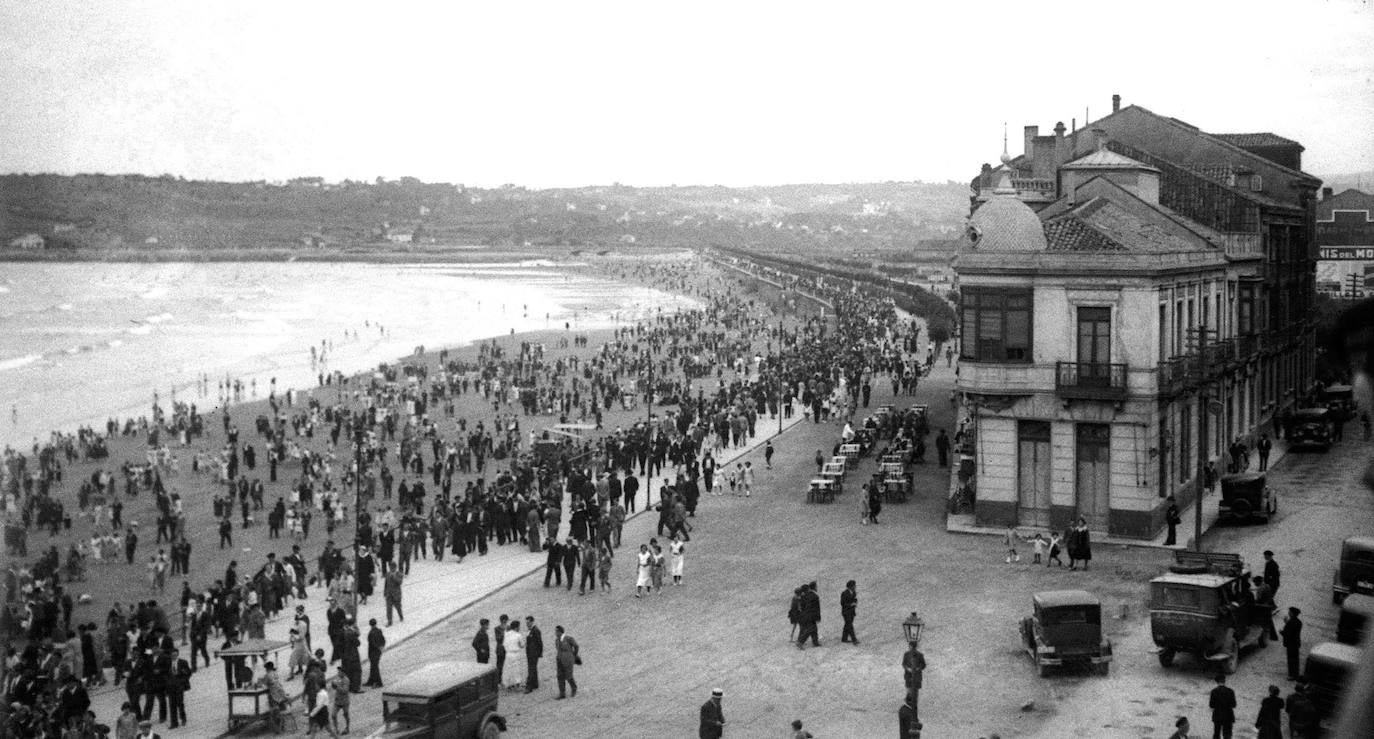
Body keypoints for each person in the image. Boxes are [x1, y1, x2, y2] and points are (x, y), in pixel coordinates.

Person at [554, 624, 579, 699]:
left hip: (568, 660)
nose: (555, 633)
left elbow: (576, 646)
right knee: (560, 676)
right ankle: (562, 693)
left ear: (560, 632)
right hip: (559, 660)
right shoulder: (557, 640)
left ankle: (574, 688)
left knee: (569, 676)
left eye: (556, 631)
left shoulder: (568, 638)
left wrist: (573, 655)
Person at [903, 641, 926, 721]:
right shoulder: (906, 654)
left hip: (916, 678)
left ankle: (914, 715)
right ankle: (909, 711)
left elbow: (923, 665)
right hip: (909, 677)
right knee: (909, 695)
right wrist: (908, 669)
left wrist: (917, 669)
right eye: (910, 647)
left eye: (913, 647)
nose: (911, 648)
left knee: (915, 696)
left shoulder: (920, 655)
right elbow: (904, 664)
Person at [1209, 673, 1236, 739]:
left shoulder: (1214, 691)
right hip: (1228, 716)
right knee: (1227, 735)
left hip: (1218, 716)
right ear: (1224, 681)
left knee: (1216, 734)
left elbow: (1211, 705)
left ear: (1217, 682)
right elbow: (1234, 705)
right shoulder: (1230, 691)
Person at [502, 621, 526, 690]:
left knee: (508, 669)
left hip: (508, 653)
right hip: (516, 653)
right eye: (519, 626)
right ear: (516, 627)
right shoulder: (518, 635)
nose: (519, 628)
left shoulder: (506, 634)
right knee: (517, 669)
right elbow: (522, 645)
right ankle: (517, 684)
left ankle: (508, 684)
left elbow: (504, 644)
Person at [1280, 607, 1302, 680]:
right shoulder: (1298, 622)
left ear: (1292, 613)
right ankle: (1295, 674)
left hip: (1291, 644)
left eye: (1290, 612)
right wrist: (1287, 623)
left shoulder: (1291, 622)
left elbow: (1288, 633)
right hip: (1296, 643)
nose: (1288, 613)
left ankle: (1292, 675)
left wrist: (1282, 632)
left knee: (1291, 660)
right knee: (1295, 659)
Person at [329, 666, 351, 734]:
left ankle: (347, 728)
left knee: (346, 715)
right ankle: (336, 729)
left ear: (343, 673)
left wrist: (337, 687)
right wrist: (333, 685)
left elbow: (345, 690)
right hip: (337, 701)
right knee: (333, 715)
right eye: (338, 671)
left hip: (344, 701)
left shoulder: (346, 680)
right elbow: (334, 687)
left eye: (339, 672)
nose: (338, 673)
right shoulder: (337, 678)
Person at [524, 616, 543, 693]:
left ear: (532, 622)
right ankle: (535, 683)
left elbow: (539, 642)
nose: (527, 624)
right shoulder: (530, 630)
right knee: (533, 668)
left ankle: (529, 687)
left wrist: (540, 652)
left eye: (528, 623)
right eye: (526, 623)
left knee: (531, 669)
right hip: (530, 653)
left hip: (533, 653)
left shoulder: (535, 630)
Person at [365, 618, 385, 688]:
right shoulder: (379, 630)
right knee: (373, 667)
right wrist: (381, 647)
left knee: (375, 667)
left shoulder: (371, 633)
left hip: (373, 652)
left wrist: (377, 647)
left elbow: (372, 643)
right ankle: (371, 681)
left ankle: (379, 683)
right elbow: (383, 640)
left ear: (370, 624)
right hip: (378, 651)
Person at [840, 580, 859, 644]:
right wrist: (851, 604)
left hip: (852, 612)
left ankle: (844, 638)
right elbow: (842, 603)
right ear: (850, 586)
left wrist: (855, 602)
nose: (855, 587)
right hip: (846, 612)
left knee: (847, 625)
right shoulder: (844, 593)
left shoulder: (854, 592)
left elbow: (855, 599)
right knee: (850, 626)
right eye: (854, 586)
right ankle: (854, 639)